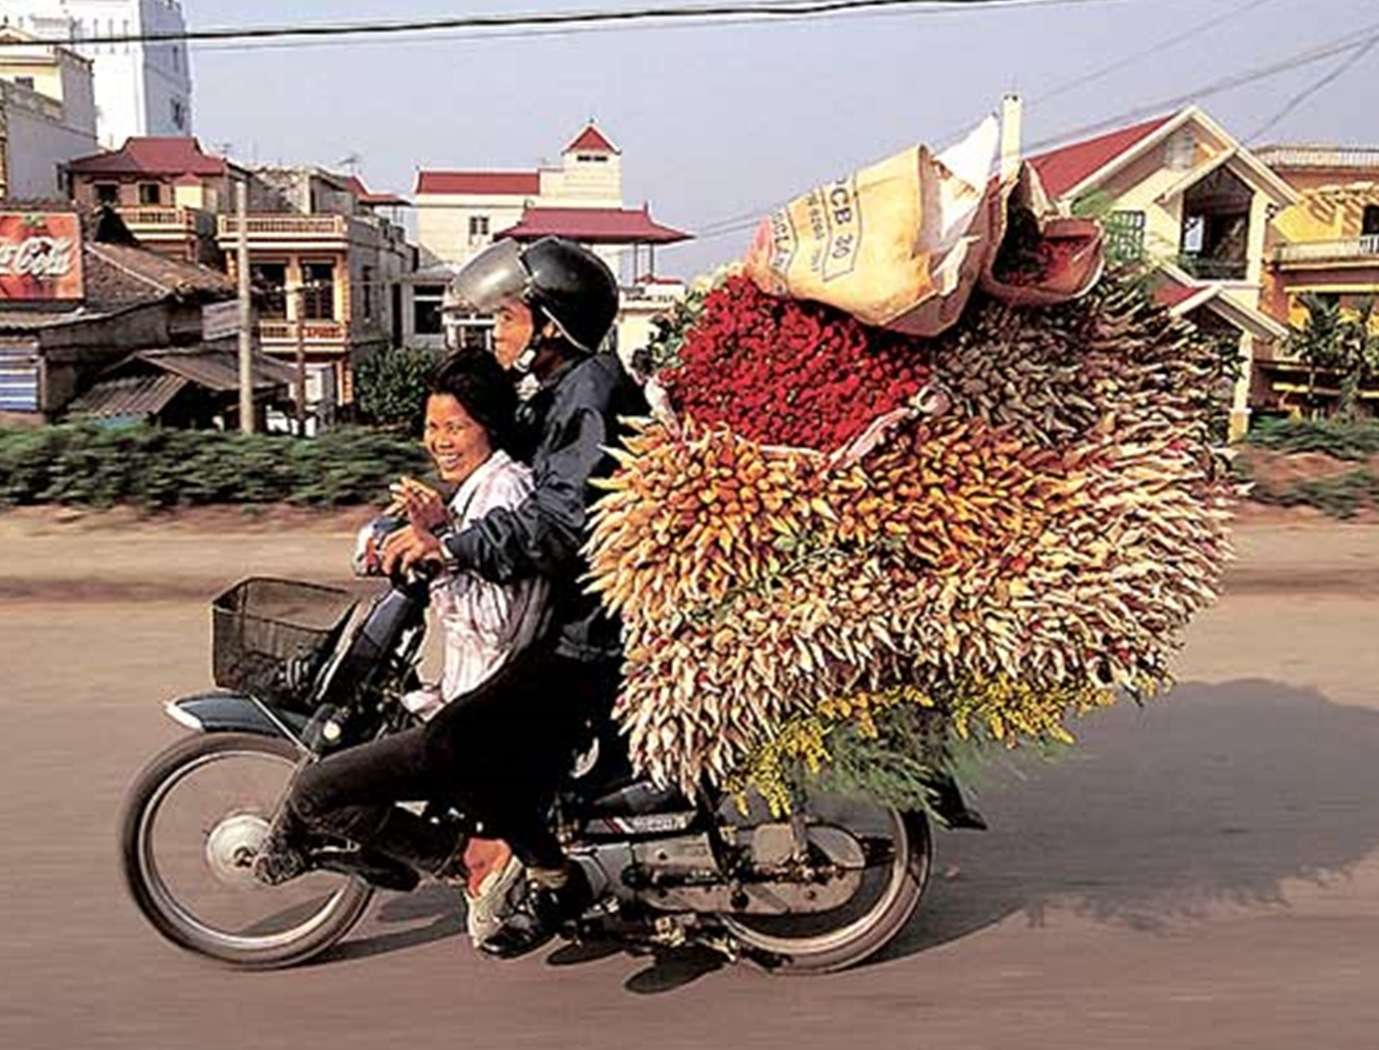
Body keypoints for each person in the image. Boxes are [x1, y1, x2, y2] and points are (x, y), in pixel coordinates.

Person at [379, 236, 647, 959]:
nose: (497, 332)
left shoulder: (591, 392)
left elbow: (558, 521)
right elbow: (507, 479)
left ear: (550, 325)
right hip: (563, 617)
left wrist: (453, 548)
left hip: (587, 636)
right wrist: (442, 516)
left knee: (458, 745)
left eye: (508, 318)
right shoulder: (559, 393)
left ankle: (556, 881)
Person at [253, 351, 551, 942]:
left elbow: (497, 618)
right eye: (433, 427)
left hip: (484, 711)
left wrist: (436, 549)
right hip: (470, 691)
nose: (439, 441)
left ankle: (474, 858)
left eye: (455, 427)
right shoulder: (476, 488)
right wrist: (430, 531)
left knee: (320, 790)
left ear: (488, 424)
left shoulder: (505, 490)